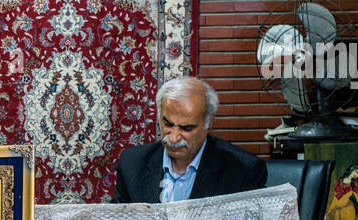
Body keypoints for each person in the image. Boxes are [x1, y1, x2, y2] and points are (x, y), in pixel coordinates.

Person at [113, 76, 267, 204]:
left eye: (186, 128)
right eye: (167, 124)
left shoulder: (243, 170)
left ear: (209, 124)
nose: (173, 138)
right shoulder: (132, 164)